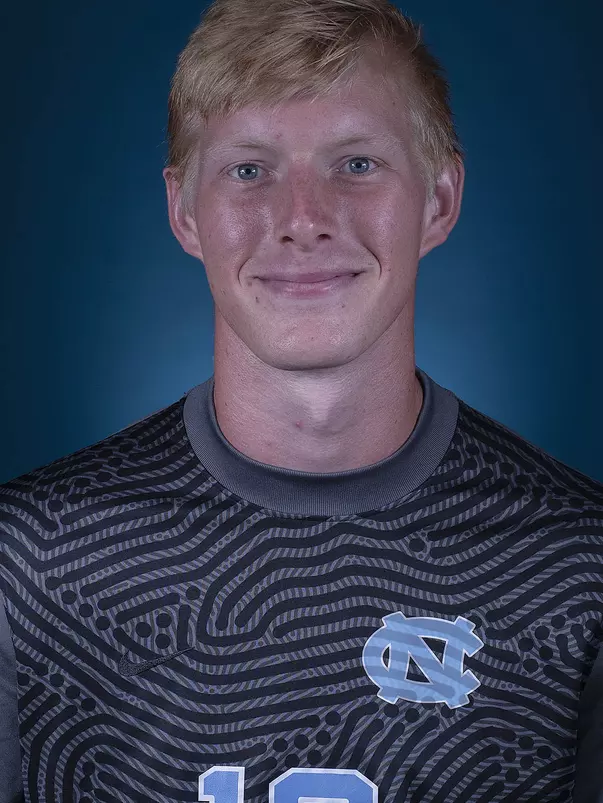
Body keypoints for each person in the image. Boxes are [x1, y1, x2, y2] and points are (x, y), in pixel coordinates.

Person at [1, 0, 602, 800]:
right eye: (249, 170)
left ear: (438, 200)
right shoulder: (31, 559)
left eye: (356, 163)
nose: (303, 220)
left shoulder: (578, 564)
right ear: (184, 212)